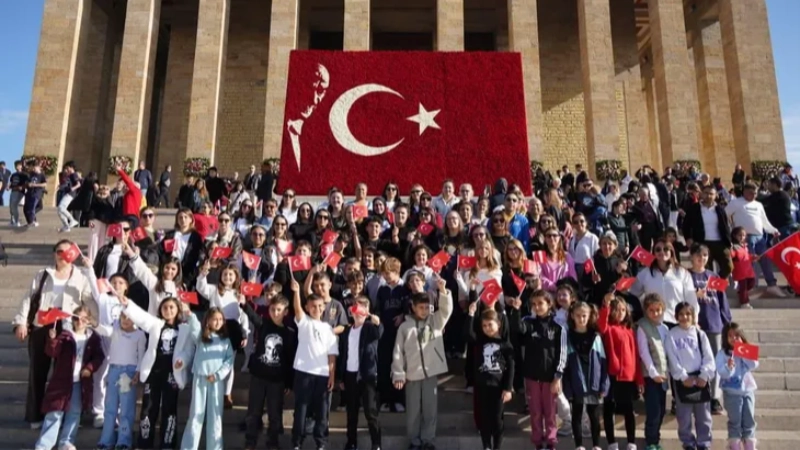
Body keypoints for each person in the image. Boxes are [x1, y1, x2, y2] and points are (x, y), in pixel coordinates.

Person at [13, 240, 96, 428]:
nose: (63, 256)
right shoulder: (43, 274)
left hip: (67, 327)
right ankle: (35, 415)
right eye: (59, 252)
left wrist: (96, 321)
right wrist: (21, 322)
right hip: (43, 324)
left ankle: (64, 414)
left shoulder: (80, 276)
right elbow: (28, 298)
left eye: (67, 252)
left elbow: (89, 300)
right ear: (54, 254)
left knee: (64, 374)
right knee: (37, 371)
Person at [122, 296, 194, 450]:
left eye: (172, 307)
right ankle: (144, 443)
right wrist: (128, 305)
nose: (168, 310)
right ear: (160, 310)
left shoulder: (185, 329)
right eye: (165, 307)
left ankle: (167, 443)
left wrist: (182, 361)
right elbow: (141, 317)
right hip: (154, 373)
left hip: (172, 375)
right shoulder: (156, 324)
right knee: (148, 407)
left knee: (169, 409)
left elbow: (188, 350)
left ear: (178, 310)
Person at [33, 306, 105, 450]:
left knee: (74, 413)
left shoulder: (92, 338)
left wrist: (89, 368)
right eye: (76, 318)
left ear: (88, 320)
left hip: (80, 383)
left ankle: (66, 442)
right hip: (61, 382)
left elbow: (99, 357)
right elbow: (52, 352)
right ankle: (44, 445)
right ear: (72, 320)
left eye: (83, 319)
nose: (80, 321)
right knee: (55, 413)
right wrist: (52, 340)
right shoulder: (65, 336)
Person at [392, 284, 453, 450]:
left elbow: (446, 310)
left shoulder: (435, 321)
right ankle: (414, 440)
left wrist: (443, 291)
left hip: (430, 373)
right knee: (413, 410)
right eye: (421, 307)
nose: (424, 311)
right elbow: (398, 352)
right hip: (412, 374)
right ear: (413, 307)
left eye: (427, 308)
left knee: (430, 409)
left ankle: (428, 440)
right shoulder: (405, 327)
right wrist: (398, 373)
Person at [507, 290, 567, 450]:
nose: (537, 307)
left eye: (541, 303)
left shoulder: (558, 327)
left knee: (550, 412)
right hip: (532, 377)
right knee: (535, 412)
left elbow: (562, 353)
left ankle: (551, 442)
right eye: (534, 304)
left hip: (550, 378)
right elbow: (517, 328)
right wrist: (516, 310)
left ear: (549, 304)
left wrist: (558, 377)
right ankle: (538, 443)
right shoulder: (528, 322)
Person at [240, 294, 297, 450]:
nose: (275, 313)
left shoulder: (289, 333)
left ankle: (273, 443)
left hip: (276, 381)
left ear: (286, 312)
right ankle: (250, 442)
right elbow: (252, 316)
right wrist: (244, 304)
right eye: (272, 309)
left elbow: (290, 359)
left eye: (279, 310)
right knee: (253, 412)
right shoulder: (264, 324)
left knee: (275, 415)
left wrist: (289, 382)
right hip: (258, 377)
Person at [175, 307, 235, 450]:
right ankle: (189, 447)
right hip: (200, 378)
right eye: (214, 319)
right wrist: (190, 315)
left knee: (215, 415)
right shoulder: (201, 337)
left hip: (216, 381)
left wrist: (218, 375)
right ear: (208, 320)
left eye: (220, 319)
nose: (217, 322)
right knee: (196, 414)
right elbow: (194, 328)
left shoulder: (225, 340)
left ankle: (215, 447)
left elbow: (229, 361)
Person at [290, 276, 339, 450]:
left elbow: (332, 355)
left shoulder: (328, 329)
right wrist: (296, 292)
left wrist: (331, 375)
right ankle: (297, 442)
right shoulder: (304, 322)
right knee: (301, 409)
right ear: (307, 308)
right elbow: (297, 309)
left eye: (319, 306)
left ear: (324, 307)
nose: (316, 309)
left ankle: (321, 443)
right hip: (303, 372)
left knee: (322, 411)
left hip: (322, 375)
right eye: (313, 306)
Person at [195, 261, 251, 408]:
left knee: (229, 364)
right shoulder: (214, 290)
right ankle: (213, 392)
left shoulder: (239, 293)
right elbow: (201, 287)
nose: (227, 277)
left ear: (236, 277)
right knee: (214, 361)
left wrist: (245, 333)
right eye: (225, 274)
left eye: (230, 274)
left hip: (233, 330)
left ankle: (227, 394)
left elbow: (244, 315)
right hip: (216, 329)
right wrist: (203, 274)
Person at [665, 302, 716, 450]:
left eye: (688, 314)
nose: (684, 317)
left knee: (704, 415)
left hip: (700, 378)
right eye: (681, 314)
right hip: (683, 381)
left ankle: (703, 442)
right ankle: (688, 442)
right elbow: (672, 358)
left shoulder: (700, 334)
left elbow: (708, 356)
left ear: (693, 316)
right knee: (684, 416)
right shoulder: (672, 335)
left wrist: (704, 375)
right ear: (676, 316)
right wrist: (683, 377)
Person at [93, 309, 146, 450]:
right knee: (110, 407)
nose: (125, 320)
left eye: (129, 317)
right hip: (113, 370)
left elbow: (141, 355)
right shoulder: (115, 331)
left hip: (128, 373)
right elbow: (104, 330)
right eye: (123, 317)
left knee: (126, 409)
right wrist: (94, 323)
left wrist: (137, 372)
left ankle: (124, 441)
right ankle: (106, 441)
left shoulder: (139, 335)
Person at [465, 303, 514, 450]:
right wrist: (471, 314)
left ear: (498, 324)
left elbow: (511, 368)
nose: (487, 328)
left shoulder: (505, 344)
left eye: (490, 324)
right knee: (484, 420)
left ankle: (496, 447)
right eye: (484, 325)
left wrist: (508, 388)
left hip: (498, 388)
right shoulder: (480, 341)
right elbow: (468, 334)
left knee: (497, 420)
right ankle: (486, 446)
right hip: (482, 386)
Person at [338, 296, 384, 450]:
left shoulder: (369, 328)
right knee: (351, 412)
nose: (357, 313)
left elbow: (379, 333)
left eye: (361, 309)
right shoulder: (347, 331)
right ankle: (351, 442)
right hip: (350, 375)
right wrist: (342, 377)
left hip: (366, 375)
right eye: (355, 309)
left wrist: (376, 321)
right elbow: (344, 354)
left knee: (371, 411)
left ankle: (376, 443)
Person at [598, 293, 642, 450]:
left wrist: (639, 379)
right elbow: (601, 325)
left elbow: (636, 356)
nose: (621, 313)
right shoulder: (608, 329)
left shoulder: (630, 330)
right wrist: (606, 305)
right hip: (612, 375)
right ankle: (612, 443)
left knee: (628, 410)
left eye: (623, 310)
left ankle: (631, 442)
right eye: (617, 310)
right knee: (609, 409)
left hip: (628, 377)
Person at [562, 301, 607, 450]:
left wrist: (603, 384)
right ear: (572, 316)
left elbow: (603, 362)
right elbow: (565, 366)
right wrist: (567, 388)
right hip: (576, 383)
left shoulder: (596, 337)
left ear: (589, 316)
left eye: (584, 316)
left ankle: (596, 445)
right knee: (576, 414)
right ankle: (579, 446)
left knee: (594, 415)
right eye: (578, 316)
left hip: (593, 382)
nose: (581, 319)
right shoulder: (568, 336)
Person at [630, 238, 698, 328]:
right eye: (658, 249)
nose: (662, 252)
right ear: (654, 252)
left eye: (666, 249)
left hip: (677, 323)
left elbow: (691, 299)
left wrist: (694, 321)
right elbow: (633, 292)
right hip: (653, 324)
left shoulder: (682, 273)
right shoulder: (645, 273)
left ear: (671, 252)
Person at [715, 322, 759, 450]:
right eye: (730, 336)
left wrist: (743, 353)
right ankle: (734, 445)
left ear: (741, 336)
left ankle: (750, 444)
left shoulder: (745, 349)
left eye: (736, 335)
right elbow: (721, 372)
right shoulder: (722, 354)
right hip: (731, 392)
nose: (734, 338)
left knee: (749, 419)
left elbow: (754, 365)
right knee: (735, 420)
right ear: (725, 338)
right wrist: (728, 367)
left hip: (747, 390)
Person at [637, 293, 670, 450]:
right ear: (646, 310)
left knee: (662, 410)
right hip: (650, 377)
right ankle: (651, 442)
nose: (655, 313)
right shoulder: (642, 327)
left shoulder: (665, 328)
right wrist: (653, 373)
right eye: (651, 310)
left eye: (658, 310)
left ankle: (656, 439)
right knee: (654, 411)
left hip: (663, 376)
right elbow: (644, 353)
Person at [681, 186, 733, 280]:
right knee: (706, 268)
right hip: (702, 242)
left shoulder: (720, 209)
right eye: (706, 193)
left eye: (711, 194)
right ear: (701, 194)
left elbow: (726, 226)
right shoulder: (694, 208)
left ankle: (716, 282)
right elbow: (686, 225)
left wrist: (729, 241)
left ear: (716, 195)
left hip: (720, 243)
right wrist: (688, 238)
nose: (708, 196)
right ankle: (709, 286)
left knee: (728, 267)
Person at [730, 227, 758, 309]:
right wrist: (730, 250)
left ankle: (741, 294)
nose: (742, 237)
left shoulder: (745, 246)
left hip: (748, 269)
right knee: (743, 287)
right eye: (740, 235)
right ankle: (744, 303)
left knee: (752, 283)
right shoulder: (734, 247)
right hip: (740, 270)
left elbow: (747, 256)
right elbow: (732, 256)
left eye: (744, 235)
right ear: (734, 236)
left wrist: (753, 257)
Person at [56, 161, 81, 232]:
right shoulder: (70, 175)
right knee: (59, 211)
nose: (66, 169)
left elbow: (78, 184)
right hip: (68, 193)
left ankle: (72, 220)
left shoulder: (74, 174)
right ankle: (66, 226)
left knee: (61, 207)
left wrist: (72, 188)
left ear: (71, 168)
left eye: (68, 168)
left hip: (70, 194)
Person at [24, 162, 47, 227]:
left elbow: (45, 184)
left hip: (36, 193)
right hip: (29, 193)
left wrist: (35, 185)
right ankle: (30, 222)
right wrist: (28, 184)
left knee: (32, 207)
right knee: (26, 209)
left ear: (39, 168)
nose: (33, 169)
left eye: (35, 168)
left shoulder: (42, 175)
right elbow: (27, 181)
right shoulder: (31, 174)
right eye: (33, 168)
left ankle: (33, 221)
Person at [8, 160, 27, 227]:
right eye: (15, 166)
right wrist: (8, 186)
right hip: (13, 191)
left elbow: (27, 183)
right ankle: (12, 221)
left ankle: (17, 221)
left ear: (21, 166)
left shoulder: (24, 175)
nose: (16, 167)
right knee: (11, 206)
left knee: (14, 206)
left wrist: (22, 187)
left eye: (18, 165)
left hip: (19, 192)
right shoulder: (13, 175)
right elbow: (11, 183)